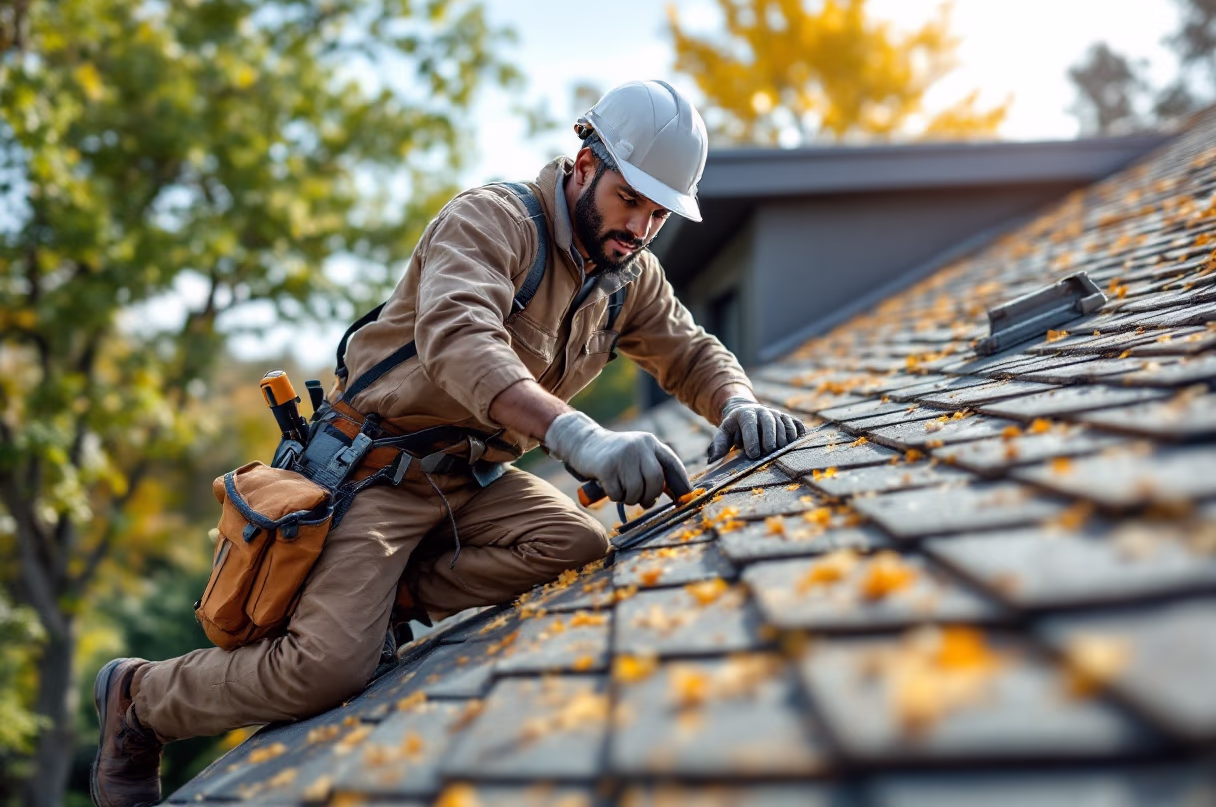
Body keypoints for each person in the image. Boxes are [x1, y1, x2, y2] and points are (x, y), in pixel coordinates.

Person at [89, 80, 806, 806]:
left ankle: (385, 595)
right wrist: (578, 438)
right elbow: (461, 344)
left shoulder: (626, 275)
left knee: (578, 546)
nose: (642, 227)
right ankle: (143, 700)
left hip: (470, 484)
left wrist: (737, 403)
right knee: (326, 671)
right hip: (376, 475)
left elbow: (689, 351)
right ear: (585, 165)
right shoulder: (492, 221)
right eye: (631, 199)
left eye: (659, 212)